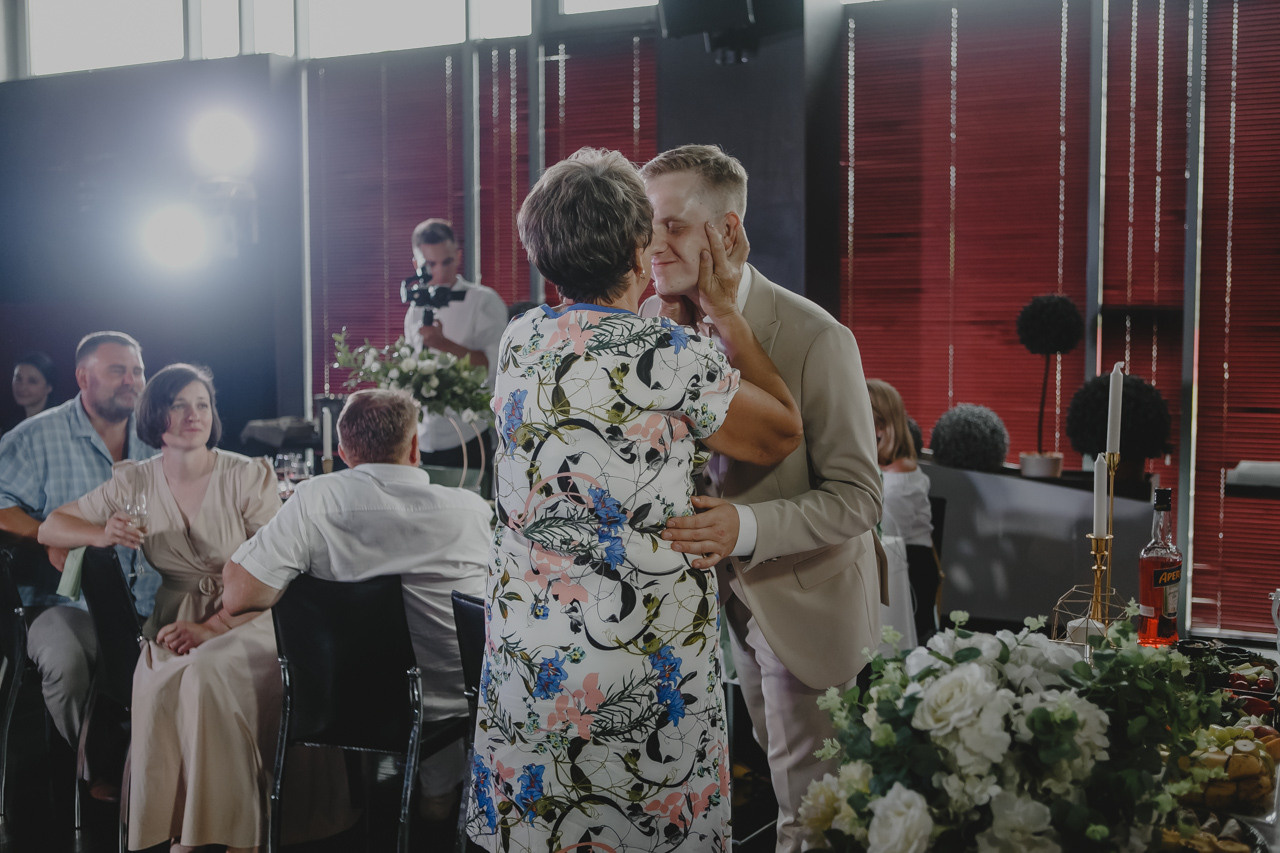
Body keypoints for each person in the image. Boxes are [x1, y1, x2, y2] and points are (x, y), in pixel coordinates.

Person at [467, 147, 802, 853]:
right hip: (644, 664)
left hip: (533, 658)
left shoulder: (520, 339)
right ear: (637, 243)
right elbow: (780, 433)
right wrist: (724, 312)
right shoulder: (672, 354)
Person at [643, 145, 885, 853]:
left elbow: (859, 498)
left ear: (727, 230)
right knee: (764, 782)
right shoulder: (652, 330)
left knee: (812, 814)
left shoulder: (817, 338)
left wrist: (742, 526)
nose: (654, 245)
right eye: (644, 226)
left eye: (673, 226)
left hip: (805, 599)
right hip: (709, 611)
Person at [37, 363, 286, 852]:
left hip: (249, 611)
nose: (193, 415)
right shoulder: (133, 481)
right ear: (156, 415)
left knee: (203, 674)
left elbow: (277, 565)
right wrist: (101, 533)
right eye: (179, 404)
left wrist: (215, 626)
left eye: (202, 405)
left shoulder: (248, 474)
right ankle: (185, 823)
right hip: (175, 616)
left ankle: (234, 833)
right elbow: (51, 527)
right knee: (167, 672)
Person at [221, 387, 493, 822]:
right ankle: (442, 795)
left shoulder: (315, 501)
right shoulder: (471, 511)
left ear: (344, 452)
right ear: (415, 447)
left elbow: (237, 596)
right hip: (451, 702)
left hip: (341, 700)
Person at [0, 331, 158, 760]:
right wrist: (47, 536)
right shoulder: (35, 437)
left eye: (137, 370)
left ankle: (163, 773)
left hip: (153, 602)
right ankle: (93, 766)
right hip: (63, 603)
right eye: (117, 370)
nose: (131, 380)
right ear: (82, 378)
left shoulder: (157, 437)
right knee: (68, 665)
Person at [402, 219, 508, 479]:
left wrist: (443, 344)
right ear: (417, 265)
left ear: (458, 256)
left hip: (468, 433)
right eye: (430, 264)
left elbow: (494, 368)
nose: (439, 271)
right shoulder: (415, 309)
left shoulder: (483, 301)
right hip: (423, 436)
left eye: (446, 262)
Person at [867, 378, 937, 644]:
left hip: (908, 571)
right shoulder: (882, 467)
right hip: (891, 563)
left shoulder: (901, 476)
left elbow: (882, 527)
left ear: (882, 425)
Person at [5, 350, 56, 432]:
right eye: (18, 379)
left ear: (48, 387)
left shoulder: (55, 425)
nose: (22, 387)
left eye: (32, 381)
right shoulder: (10, 423)